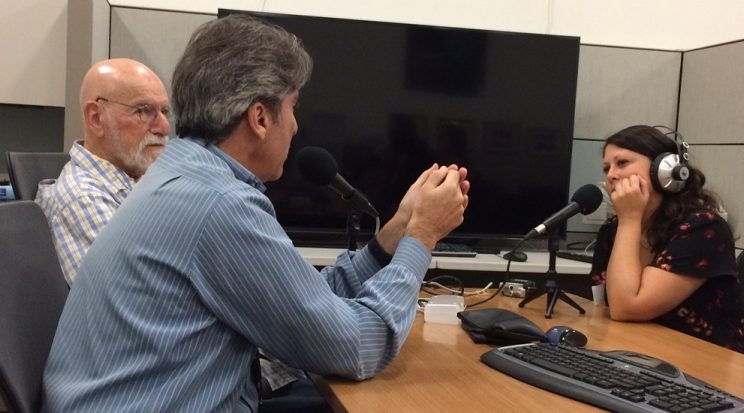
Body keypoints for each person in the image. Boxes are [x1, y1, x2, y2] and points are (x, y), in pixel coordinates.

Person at [42, 14, 470, 413]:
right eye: (294, 107)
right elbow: (358, 347)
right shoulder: (216, 204)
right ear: (260, 117)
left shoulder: (187, 174)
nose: (297, 127)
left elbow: (303, 303)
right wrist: (423, 237)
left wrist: (394, 235)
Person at [590, 124, 743, 353]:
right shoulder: (613, 228)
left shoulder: (704, 228)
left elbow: (627, 308)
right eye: (606, 168)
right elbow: (604, 306)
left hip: (703, 363)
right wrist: (628, 221)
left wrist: (630, 219)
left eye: (622, 163)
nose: (611, 175)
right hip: (639, 351)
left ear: (665, 170)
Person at [35, 58, 171, 284]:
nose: (164, 127)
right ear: (96, 118)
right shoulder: (83, 200)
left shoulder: (138, 182)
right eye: (144, 111)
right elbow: (141, 304)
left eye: (165, 111)